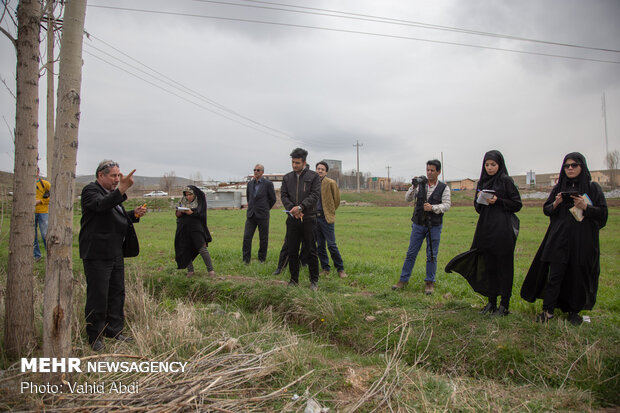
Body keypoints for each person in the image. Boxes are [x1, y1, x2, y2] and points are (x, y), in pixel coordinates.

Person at [521, 152, 607, 325]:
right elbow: (547, 209)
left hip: (582, 241)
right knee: (555, 275)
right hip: (559, 239)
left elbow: (603, 215)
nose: (570, 168)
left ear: (582, 167)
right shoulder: (559, 188)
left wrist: (585, 207)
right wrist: (556, 203)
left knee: (577, 276)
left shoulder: (592, 188)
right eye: (567, 166)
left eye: (574, 165)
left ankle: (573, 312)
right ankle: (548, 311)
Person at [79, 160, 147, 351]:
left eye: (119, 176)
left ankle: (114, 330)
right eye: (113, 176)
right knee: (98, 295)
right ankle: (95, 336)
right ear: (101, 175)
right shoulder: (90, 191)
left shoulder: (111, 194)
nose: (117, 179)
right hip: (97, 253)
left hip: (115, 251)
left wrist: (133, 214)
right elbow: (100, 207)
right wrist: (123, 189)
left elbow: (113, 213)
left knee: (117, 293)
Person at [445, 150, 522, 316]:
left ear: (499, 165)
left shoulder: (506, 181)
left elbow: (517, 204)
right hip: (485, 229)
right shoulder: (482, 182)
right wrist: (480, 199)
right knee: (489, 267)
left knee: (504, 267)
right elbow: (478, 208)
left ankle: (504, 305)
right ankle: (491, 303)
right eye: (487, 165)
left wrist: (498, 201)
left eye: (493, 164)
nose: (490, 168)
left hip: (502, 230)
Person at [392, 159, 451, 294]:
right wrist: (413, 186)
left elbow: (447, 205)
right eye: (427, 170)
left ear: (438, 172)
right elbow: (407, 198)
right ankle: (403, 280)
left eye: (432, 170)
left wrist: (433, 208)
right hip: (418, 224)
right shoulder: (420, 185)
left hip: (434, 225)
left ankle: (429, 283)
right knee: (411, 253)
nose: (429, 173)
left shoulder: (444, 188)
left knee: (431, 255)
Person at [280, 148, 321, 290]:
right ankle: (293, 280)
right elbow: (284, 195)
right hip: (292, 219)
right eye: (292, 162)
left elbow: (315, 195)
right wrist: (293, 208)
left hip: (308, 218)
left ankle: (314, 281)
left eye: (297, 163)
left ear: (304, 162)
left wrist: (301, 207)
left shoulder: (314, 177)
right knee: (292, 250)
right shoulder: (287, 178)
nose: (294, 165)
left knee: (310, 250)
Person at [315, 161, 347, 278]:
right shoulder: (313, 183)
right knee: (320, 245)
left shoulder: (331, 183)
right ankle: (325, 268)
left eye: (322, 169)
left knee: (332, 245)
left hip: (326, 218)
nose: (320, 171)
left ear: (326, 172)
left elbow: (337, 200)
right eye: (318, 168)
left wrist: (330, 211)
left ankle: (340, 269)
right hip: (315, 218)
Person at [175, 186, 215, 277]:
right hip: (183, 228)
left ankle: (211, 270)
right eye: (186, 195)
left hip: (196, 228)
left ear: (195, 194)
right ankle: (190, 270)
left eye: (190, 194)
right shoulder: (182, 201)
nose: (188, 197)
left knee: (202, 248)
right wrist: (180, 212)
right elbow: (177, 214)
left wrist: (192, 213)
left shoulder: (200, 202)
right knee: (185, 248)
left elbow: (201, 215)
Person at [243, 164, 276, 263]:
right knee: (247, 237)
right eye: (254, 170)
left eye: (258, 170)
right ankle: (246, 260)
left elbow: (273, 199)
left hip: (263, 215)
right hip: (251, 215)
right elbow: (249, 198)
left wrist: (266, 208)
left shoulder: (268, 184)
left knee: (263, 238)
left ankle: (261, 259)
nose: (256, 171)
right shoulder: (250, 184)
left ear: (262, 172)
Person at [34, 167, 51, 261]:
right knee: (33, 235)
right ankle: (37, 256)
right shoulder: (27, 184)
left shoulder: (45, 184)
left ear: (38, 172)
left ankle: (49, 254)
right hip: (31, 212)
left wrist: (41, 201)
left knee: (45, 234)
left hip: (43, 212)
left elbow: (53, 195)